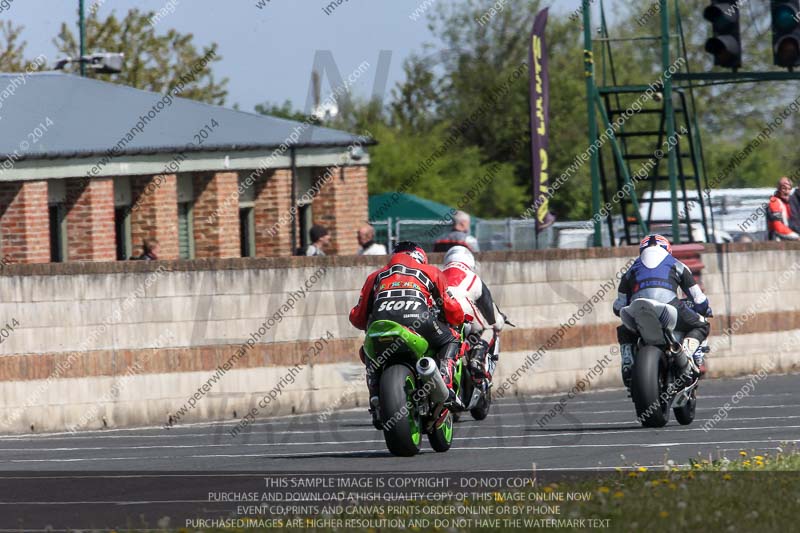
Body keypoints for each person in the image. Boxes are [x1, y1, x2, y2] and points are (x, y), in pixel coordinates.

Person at [349, 241, 465, 426]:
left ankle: (376, 396)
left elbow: (358, 318)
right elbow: (452, 310)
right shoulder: (431, 271)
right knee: (451, 338)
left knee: (368, 349)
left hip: (382, 325)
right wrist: (459, 317)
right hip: (419, 321)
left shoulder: (375, 276)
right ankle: (445, 383)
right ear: (420, 256)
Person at [613, 234, 712, 389]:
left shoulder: (631, 269)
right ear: (668, 250)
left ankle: (627, 358)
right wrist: (705, 309)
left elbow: (619, 306)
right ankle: (686, 350)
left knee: (625, 329)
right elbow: (698, 299)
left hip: (638, 308)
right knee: (702, 325)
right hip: (669, 306)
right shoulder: (677, 264)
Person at [441, 246, 504, 389]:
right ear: (470, 261)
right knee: (489, 327)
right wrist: (498, 322)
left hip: (441, 312)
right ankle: (477, 357)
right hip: (462, 308)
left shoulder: (438, 273)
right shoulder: (473, 277)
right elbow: (489, 309)